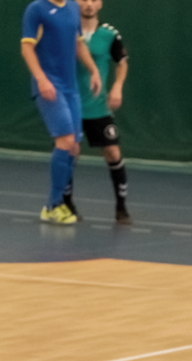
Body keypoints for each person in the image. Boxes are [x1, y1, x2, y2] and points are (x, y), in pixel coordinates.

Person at [21, 0, 100, 225]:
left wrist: (93, 70)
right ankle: (53, 206)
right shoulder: (37, 9)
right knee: (64, 140)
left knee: (74, 146)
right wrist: (41, 78)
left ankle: (56, 203)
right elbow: (26, 47)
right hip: (49, 85)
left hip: (71, 88)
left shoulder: (73, 7)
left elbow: (78, 45)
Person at [72, 0, 130, 225]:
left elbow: (122, 62)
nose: (88, 4)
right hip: (72, 105)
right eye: (83, 0)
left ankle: (121, 208)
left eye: (93, 0)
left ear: (100, 4)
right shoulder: (68, 30)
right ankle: (65, 205)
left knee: (113, 153)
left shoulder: (109, 34)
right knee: (70, 153)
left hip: (99, 108)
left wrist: (117, 87)